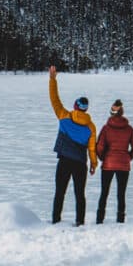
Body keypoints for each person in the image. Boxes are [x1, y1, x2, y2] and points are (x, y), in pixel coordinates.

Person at [48, 65, 97, 225]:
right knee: (79, 194)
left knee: (59, 192)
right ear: (86, 109)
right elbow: (92, 148)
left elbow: (54, 99)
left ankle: (56, 220)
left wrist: (52, 79)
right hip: (80, 164)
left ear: (75, 106)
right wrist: (93, 164)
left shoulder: (64, 116)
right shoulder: (90, 126)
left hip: (64, 161)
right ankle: (80, 222)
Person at [96, 98, 133, 224]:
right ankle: (120, 219)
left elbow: (99, 146)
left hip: (108, 164)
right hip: (123, 165)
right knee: (121, 193)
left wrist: (102, 157)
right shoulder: (129, 129)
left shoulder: (106, 128)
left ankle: (100, 219)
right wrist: (128, 157)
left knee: (104, 192)